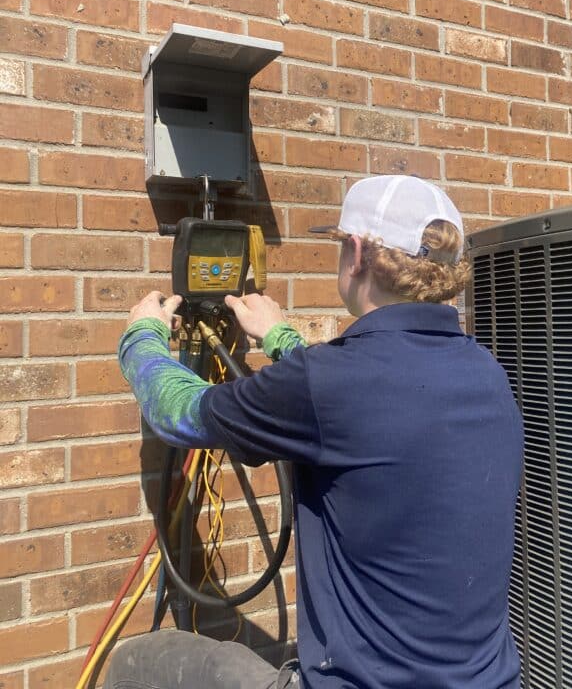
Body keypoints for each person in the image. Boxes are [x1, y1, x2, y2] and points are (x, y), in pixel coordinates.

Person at [105, 175, 524, 689]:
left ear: (354, 254)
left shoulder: (327, 384)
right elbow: (370, 408)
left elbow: (181, 412)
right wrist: (280, 338)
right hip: (492, 681)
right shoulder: (487, 374)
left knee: (143, 662)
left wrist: (141, 338)